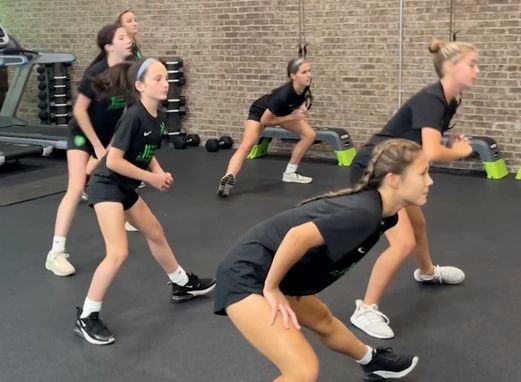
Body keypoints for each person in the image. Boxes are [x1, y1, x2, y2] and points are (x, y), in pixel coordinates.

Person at [214, 139, 428, 381]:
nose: (429, 181)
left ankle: (371, 360)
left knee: (322, 319)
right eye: (422, 174)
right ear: (393, 180)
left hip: (277, 273)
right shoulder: (363, 214)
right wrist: (271, 288)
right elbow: (297, 236)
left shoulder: (385, 215)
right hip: (247, 274)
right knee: (303, 371)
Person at [74, 58, 215, 345]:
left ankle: (180, 284)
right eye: (157, 79)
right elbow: (113, 160)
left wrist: (157, 170)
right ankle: (87, 316)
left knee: (155, 232)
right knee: (118, 253)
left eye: (166, 78)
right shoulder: (133, 116)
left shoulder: (156, 115)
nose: (165, 83)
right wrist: (150, 179)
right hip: (106, 186)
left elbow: (145, 150)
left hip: (124, 186)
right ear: (139, 86)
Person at [349, 39, 478, 339]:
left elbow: (421, 141)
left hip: (398, 169)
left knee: (418, 224)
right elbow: (431, 151)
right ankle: (365, 309)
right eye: (471, 64)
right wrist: (458, 152)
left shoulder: (449, 101)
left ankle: (427, 272)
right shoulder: (432, 100)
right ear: (450, 67)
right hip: (375, 169)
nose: (477, 70)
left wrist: (449, 143)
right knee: (403, 242)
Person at [45, 24, 132, 276]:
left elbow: (124, 111)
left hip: (107, 138)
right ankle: (56, 253)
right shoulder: (97, 72)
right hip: (83, 135)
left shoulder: (126, 72)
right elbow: (79, 111)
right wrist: (96, 145)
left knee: (119, 182)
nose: (129, 40)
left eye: (129, 36)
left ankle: (126, 223)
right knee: (75, 188)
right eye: (122, 37)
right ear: (109, 46)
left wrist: (116, 141)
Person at [217, 57, 316, 197]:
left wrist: (302, 107)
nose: (309, 75)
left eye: (309, 71)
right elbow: (266, 121)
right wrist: (292, 117)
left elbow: (300, 99)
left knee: (309, 135)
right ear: (293, 76)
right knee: (247, 145)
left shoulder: (304, 86)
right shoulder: (282, 95)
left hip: (281, 113)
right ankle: (229, 176)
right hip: (260, 114)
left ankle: (290, 173)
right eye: (304, 72)